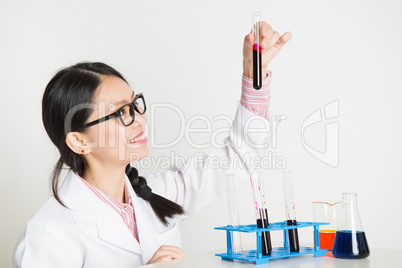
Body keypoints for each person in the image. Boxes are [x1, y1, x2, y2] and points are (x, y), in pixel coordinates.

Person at [13, 22, 291, 267]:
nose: (140, 120)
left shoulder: (154, 193)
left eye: (135, 104)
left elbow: (239, 158)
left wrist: (254, 75)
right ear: (79, 140)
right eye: (120, 113)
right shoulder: (49, 233)